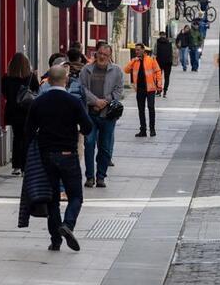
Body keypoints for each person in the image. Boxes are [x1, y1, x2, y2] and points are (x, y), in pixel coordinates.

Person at [25, 64, 93, 252]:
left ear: (48, 80)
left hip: (46, 156)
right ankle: (68, 225)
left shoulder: (39, 102)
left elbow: (28, 131)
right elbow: (88, 127)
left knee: (52, 199)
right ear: (66, 79)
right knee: (76, 196)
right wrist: (77, 128)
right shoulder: (73, 102)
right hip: (68, 154)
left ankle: (56, 240)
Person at [79, 43, 125, 187]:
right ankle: (89, 177)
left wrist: (104, 101)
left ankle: (101, 176)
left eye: (105, 54)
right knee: (89, 144)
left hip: (108, 116)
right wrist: (95, 101)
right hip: (90, 115)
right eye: (100, 53)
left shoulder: (117, 71)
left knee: (104, 147)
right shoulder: (86, 70)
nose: (102, 57)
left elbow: (119, 91)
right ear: (95, 54)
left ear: (109, 56)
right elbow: (82, 89)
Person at [1, 53, 40, 175]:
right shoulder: (31, 77)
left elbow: (4, 94)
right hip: (27, 111)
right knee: (27, 138)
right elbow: (36, 91)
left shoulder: (6, 78)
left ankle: (16, 166)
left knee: (17, 138)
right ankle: (25, 166)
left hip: (13, 112)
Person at [126, 43, 164, 137]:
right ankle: (143, 130)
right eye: (136, 50)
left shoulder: (151, 60)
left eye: (138, 49)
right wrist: (133, 61)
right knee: (141, 110)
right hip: (140, 89)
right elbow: (126, 70)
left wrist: (159, 85)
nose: (137, 51)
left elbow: (158, 71)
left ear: (143, 50)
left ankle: (152, 129)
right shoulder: (135, 61)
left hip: (150, 88)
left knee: (151, 108)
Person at [155, 31, 174, 98]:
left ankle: (159, 91)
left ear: (160, 35)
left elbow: (155, 52)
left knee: (158, 77)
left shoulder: (157, 43)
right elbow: (172, 53)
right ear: (165, 36)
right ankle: (165, 92)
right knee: (167, 77)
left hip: (159, 62)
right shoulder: (169, 43)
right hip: (168, 62)